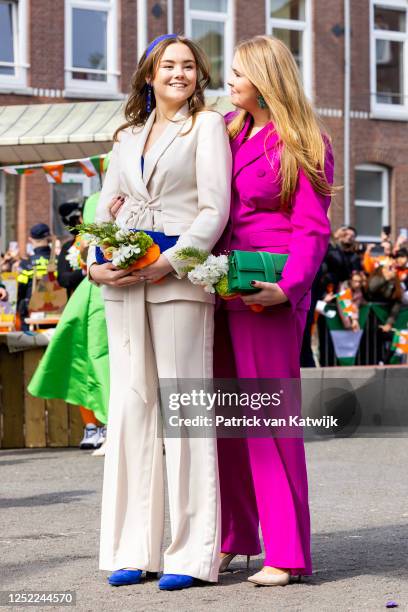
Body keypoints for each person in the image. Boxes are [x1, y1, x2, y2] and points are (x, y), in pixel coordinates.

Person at [89, 35, 231, 590]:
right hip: (121, 285)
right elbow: (103, 210)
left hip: (178, 282)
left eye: (188, 66)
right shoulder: (124, 136)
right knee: (130, 411)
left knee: (186, 416)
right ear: (148, 74)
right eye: (168, 65)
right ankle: (131, 549)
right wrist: (93, 264)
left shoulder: (208, 127)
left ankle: (192, 556)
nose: (179, 73)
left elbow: (214, 209)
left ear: (199, 75)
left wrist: (170, 262)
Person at [213, 36, 334, 586]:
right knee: (226, 421)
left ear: (264, 77)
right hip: (219, 288)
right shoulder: (227, 132)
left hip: (270, 291)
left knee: (268, 417)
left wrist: (286, 289)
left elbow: (313, 228)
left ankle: (285, 552)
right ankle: (236, 537)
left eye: (237, 73)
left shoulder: (305, 140)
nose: (228, 81)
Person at [28, 192, 109, 453]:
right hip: (82, 307)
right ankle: (92, 426)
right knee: (83, 363)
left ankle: (110, 423)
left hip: (107, 302)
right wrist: (88, 269)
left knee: (103, 364)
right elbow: (63, 278)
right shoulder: (69, 248)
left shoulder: (111, 240)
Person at [17, 223, 52, 329]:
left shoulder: (26, 264)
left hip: (31, 317)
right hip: (58, 313)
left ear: (31, 239)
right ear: (49, 238)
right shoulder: (60, 261)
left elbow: (20, 290)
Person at [57, 201, 86, 299]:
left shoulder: (100, 239)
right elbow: (63, 279)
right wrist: (84, 272)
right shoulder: (68, 247)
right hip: (78, 296)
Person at [323, 225, 362, 291]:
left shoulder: (355, 257)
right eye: (346, 234)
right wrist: (335, 237)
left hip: (345, 289)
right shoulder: (332, 250)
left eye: (352, 236)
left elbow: (356, 274)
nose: (349, 237)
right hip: (327, 288)